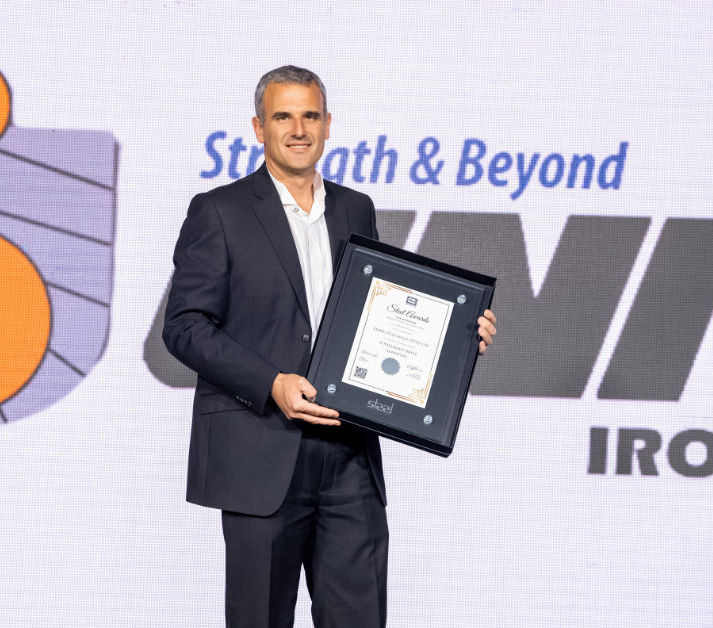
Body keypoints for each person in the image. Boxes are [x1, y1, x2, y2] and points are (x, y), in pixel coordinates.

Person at [162, 65, 497, 628]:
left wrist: (458, 338)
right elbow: (184, 326)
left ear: (327, 123)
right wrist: (271, 383)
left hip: (349, 456)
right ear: (259, 128)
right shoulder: (219, 210)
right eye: (283, 116)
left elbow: (380, 317)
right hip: (262, 449)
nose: (298, 129)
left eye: (310, 116)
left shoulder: (354, 207)